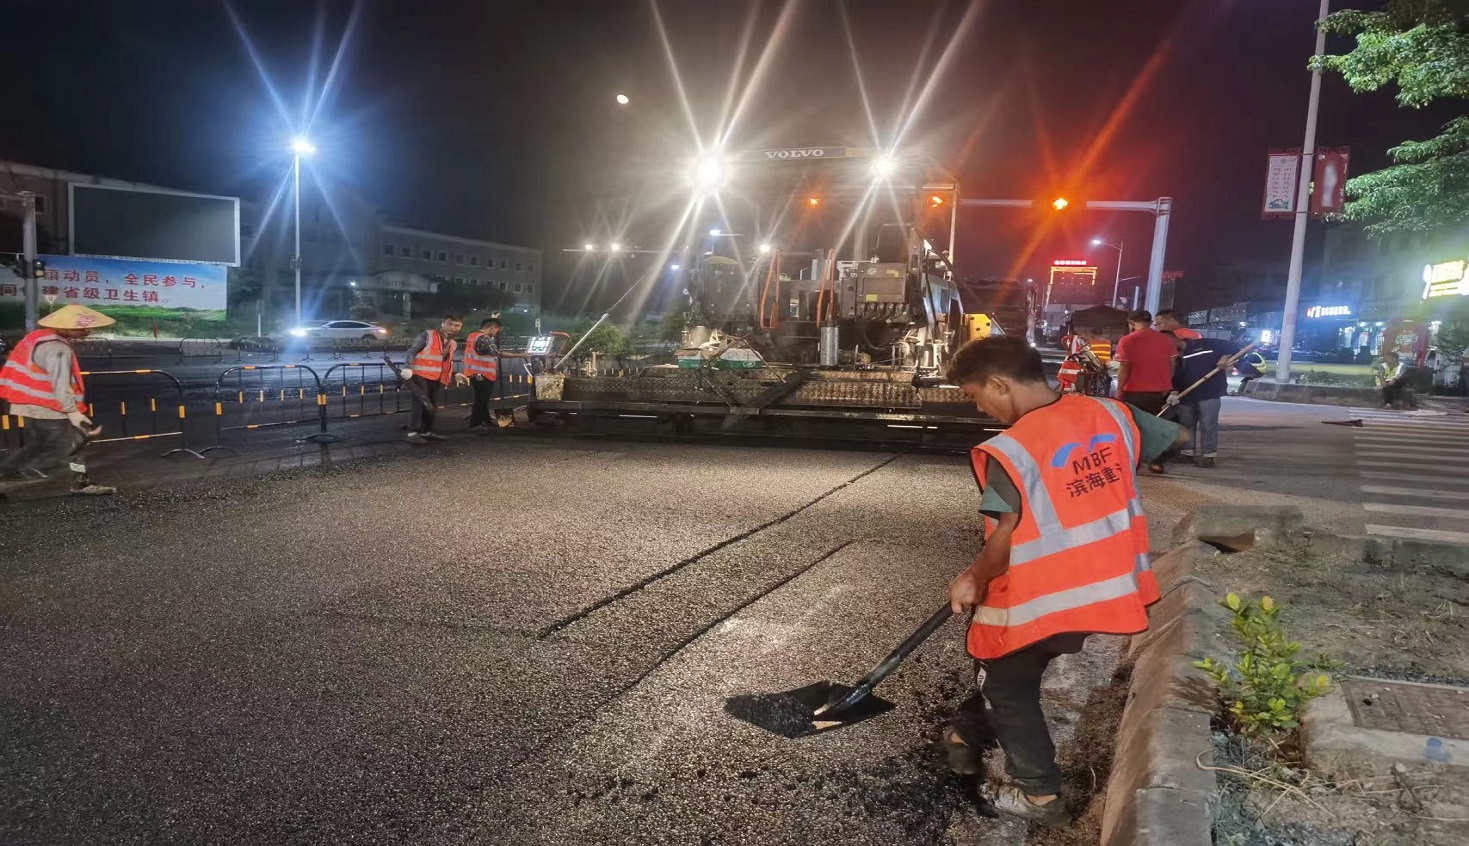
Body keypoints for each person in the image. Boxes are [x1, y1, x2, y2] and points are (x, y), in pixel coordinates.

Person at [942, 336, 1184, 826]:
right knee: (1011, 670)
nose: (980, 408)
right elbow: (1175, 438)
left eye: (975, 396)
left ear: (999, 384)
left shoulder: (1013, 449)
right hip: (1106, 586)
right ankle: (967, 734)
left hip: (1044, 594)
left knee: (1007, 684)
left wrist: (973, 577)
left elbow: (1006, 535)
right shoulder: (1112, 414)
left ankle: (1041, 796)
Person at [0, 304, 117, 495]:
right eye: (82, 328)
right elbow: (60, 383)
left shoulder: (36, 337)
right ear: (65, 327)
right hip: (49, 407)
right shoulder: (57, 349)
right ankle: (80, 484)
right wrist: (73, 412)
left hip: (28, 404)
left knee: (39, 445)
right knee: (74, 447)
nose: (89, 331)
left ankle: (5, 473)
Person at [1114, 310, 1178, 471]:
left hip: (1134, 392)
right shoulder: (1166, 340)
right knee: (1156, 426)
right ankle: (1156, 462)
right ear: (1150, 322)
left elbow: (1124, 368)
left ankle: (1134, 462)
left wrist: (1119, 391)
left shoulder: (1127, 340)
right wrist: (1166, 383)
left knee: (1134, 428)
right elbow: (1172, 365)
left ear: (1131, 323)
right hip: (1160, 392)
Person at [1170, 336, 1238, 467]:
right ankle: (1187, 453)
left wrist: (1226, 357)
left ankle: (1208, 456)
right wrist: (1174, 391)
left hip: (1209, 392)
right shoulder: (1174, 356)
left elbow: (1236, 347)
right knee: (1186, 424)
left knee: (1208, 424)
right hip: (1185, 394)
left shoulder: (1206, 344)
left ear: (1175, 338)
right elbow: (1174, 375)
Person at [400, 314, 467, 443]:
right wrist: (407, 367)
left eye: (457, 325)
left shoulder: (452, 343)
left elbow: (445, 362)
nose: (453, 327)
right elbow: (412, 351)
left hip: (435, 377)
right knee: (420, 402)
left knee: (431, 405)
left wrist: (455, 374)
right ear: (443, 323)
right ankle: (412, 433)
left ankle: (426, 431)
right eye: (450, 324)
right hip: (419, 374)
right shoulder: (428, 335)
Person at [461, 317, 528, 430]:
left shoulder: (472, 336)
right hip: (483, 374)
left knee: (482, 399)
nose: (497, 333)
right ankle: (475, 423)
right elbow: (498, 353)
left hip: (474, 373)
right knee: (481, 400)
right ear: (491, 328)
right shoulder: (484, 338)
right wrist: (521, 355)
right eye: (497, 330)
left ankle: (486, 421)